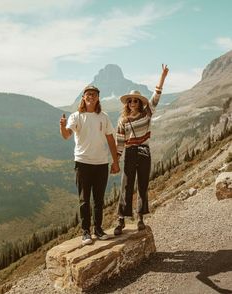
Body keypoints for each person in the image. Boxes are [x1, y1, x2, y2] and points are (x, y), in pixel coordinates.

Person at [60, 85, 120, 245]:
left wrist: (116, 161)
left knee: (99, 200)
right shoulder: (76, 116)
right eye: (88, 94)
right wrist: (62, 125)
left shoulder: (104, 117)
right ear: (83, 97)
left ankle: (98, 229)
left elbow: (110, 140)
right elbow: (66, 135)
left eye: (94, 94)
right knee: (84, 199)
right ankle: (86, 232)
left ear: (98, 97)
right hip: (83, 163)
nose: (91, 96)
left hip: (101, 163)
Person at [114, 64, 169, 235]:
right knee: (126, 186)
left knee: (143, 185)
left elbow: (156, 95)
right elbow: (120, 141)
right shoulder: (122, 120)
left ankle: (140, 218)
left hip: (144, 151)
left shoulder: (147, 113)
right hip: (130, 152)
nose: (132, 103)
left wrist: (163, 76)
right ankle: (121, 219)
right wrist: (116, 160)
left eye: (135, 100)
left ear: (140, 102)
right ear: (127, 103)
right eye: (129, 101)